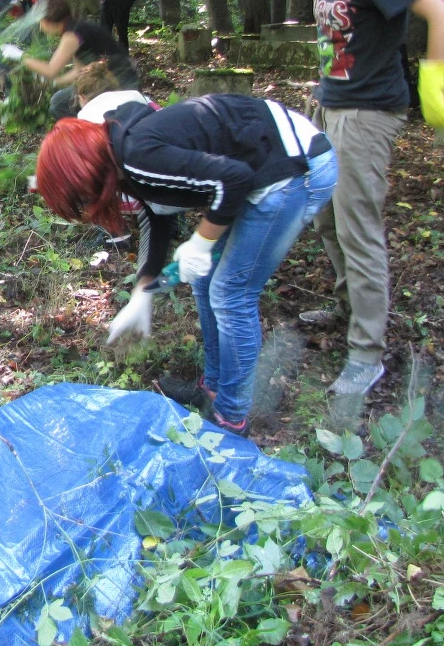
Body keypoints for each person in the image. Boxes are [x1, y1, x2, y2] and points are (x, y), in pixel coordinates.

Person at [35, 95, 338, 437]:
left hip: (297, 167)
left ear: (84, 170)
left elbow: (233, 179)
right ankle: (213, 387)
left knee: (230, 293)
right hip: (265, 168)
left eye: (82, 197)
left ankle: (231, 418)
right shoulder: (124, 160)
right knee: (205, 280)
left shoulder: (137, 155)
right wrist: (143, 291)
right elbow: (158, 216)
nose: (89, 206)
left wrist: (202, 242)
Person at [276, 0, 444, 396]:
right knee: (326, 219)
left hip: (367, 115)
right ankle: (347, 308)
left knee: (358, 228)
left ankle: (367, 354)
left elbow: (442, 14)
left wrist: (432, 84)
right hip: (331, 106)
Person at [0, 0, 140, 120]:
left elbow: (51, 70)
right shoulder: (76, 27)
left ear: (49, 20)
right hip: (109, 78)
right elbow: (79, 71)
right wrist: (55, 83)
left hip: (119, 83)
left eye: (41, 22)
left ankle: (92, 131)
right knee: (59, 100)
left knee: (59, 105)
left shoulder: (71, 35)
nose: (41, 27)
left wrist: (20, 56)